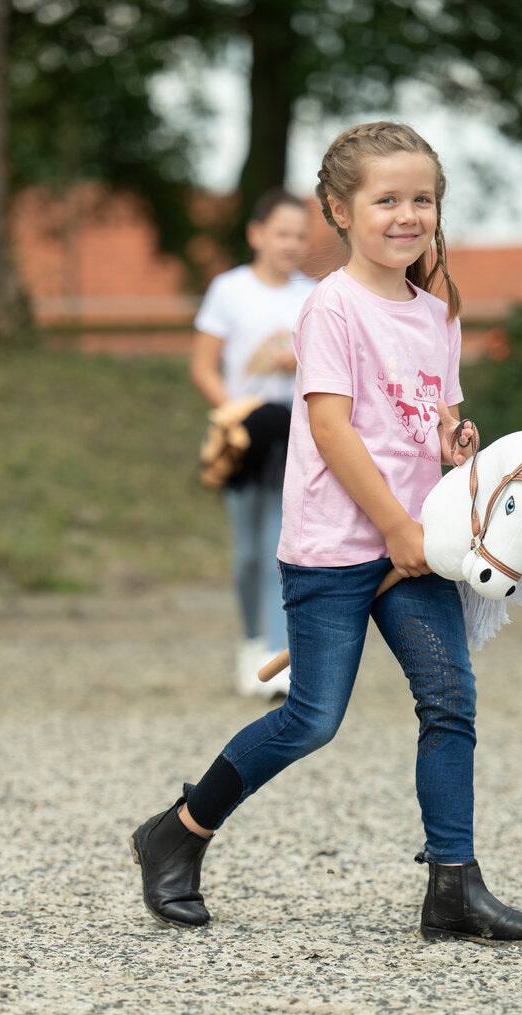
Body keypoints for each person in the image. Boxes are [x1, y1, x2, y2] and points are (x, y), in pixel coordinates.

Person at [131, 122, 522, 946]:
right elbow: (331, 431)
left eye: (422, 199)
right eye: (386, 199)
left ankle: (453, 889)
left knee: (449, 702)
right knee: (312, 719)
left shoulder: (438, 313)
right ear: (339, 209)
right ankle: (176, 833)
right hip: (336, 547)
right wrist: (394, 524)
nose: (408, 215)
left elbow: (436, 424)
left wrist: (454, 449)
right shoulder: (328, 306)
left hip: (416, 552)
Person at [191, 189, 316, 699]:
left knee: (278, 546)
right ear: (256, 234)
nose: (291, 244)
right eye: (282, 233)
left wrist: (299, 361)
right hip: (244, 438)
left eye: (300, 236)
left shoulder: (314, 295)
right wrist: (232, 414)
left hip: (297, 434)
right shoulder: (229, 290)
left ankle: (273, 655)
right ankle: (249, 642)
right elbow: (203, 365)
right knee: (247, 550)